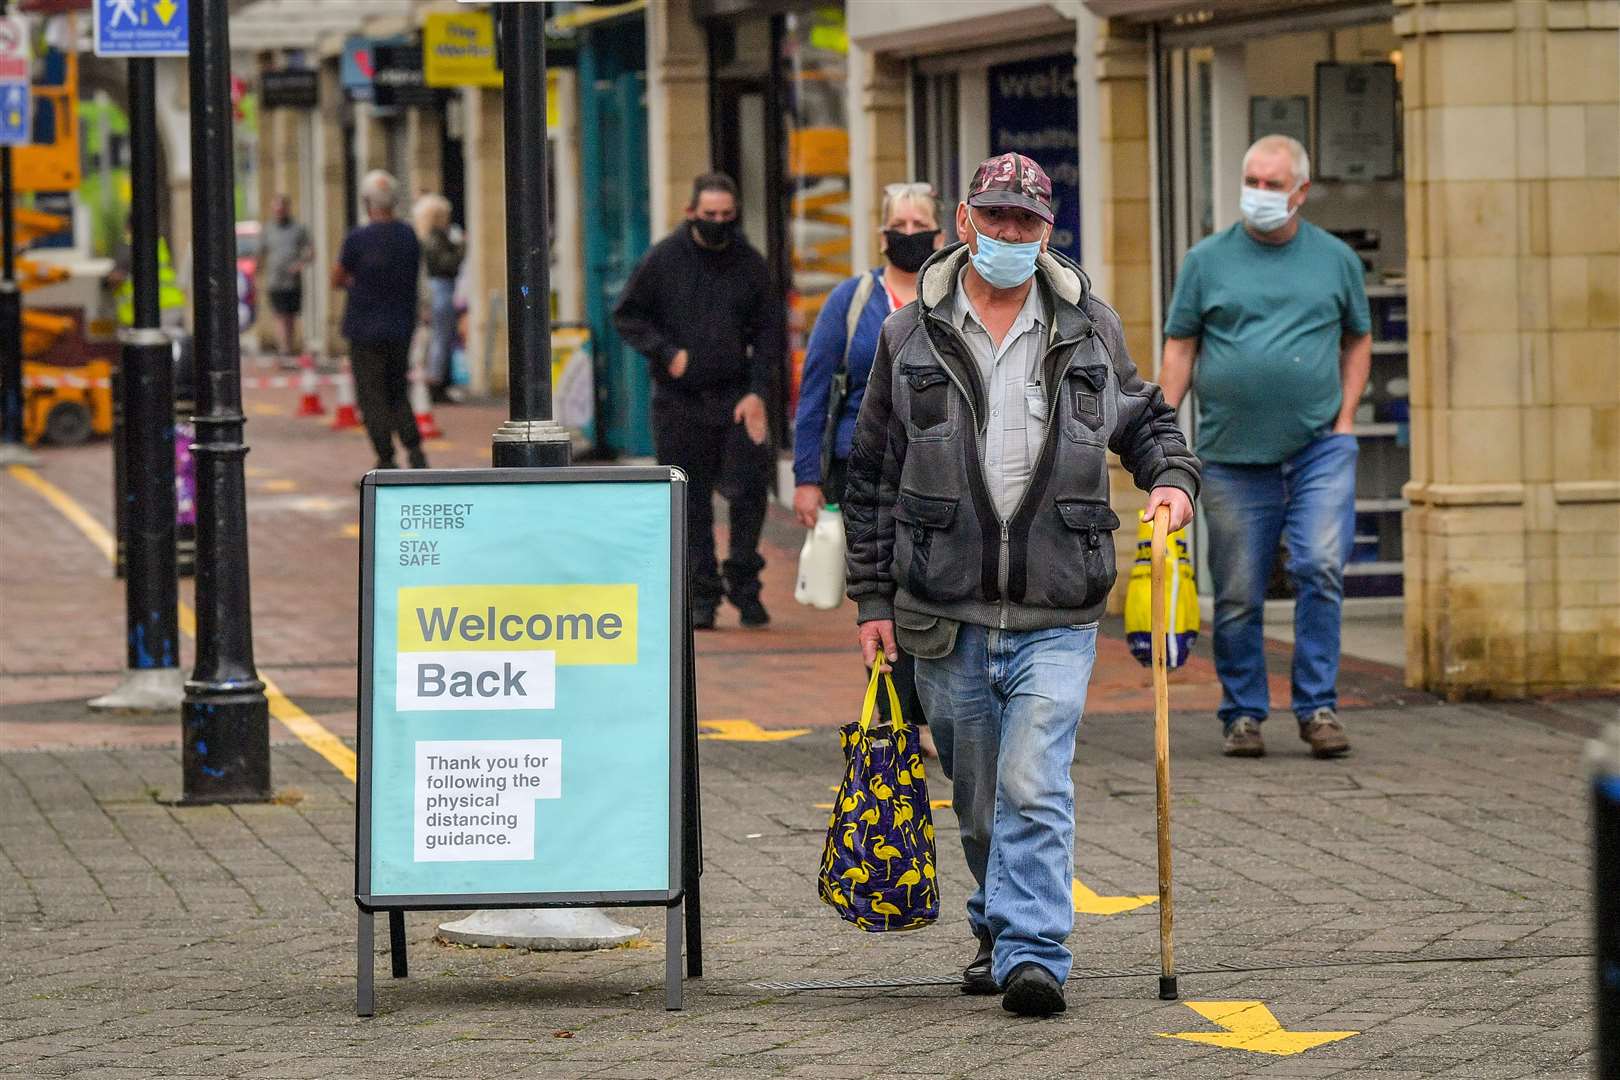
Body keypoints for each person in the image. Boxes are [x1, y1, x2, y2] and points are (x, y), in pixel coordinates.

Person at [844, 152, 1199, 1018]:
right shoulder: (908, 334)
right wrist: (873, 600)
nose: (1009, 235)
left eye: (1026, 223)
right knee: (976, 800)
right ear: (964, 222)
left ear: (1048, 232)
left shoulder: (1088, 328)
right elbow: (871, 477)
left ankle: (1035, 951)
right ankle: (998, 924)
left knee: (1034, 781)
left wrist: (1171, 480)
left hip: (1057, 603)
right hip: (942, 606)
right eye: (995, 218)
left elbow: (1145, 419)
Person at [1157, 134, 1371, 761]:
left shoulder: (1334, 259)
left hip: (1318, 449)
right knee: (1239, 592)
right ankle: (1244, 713)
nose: (1259, 194)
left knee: (1319, 568)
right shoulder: (1207, 260)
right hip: (1230, 457)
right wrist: (1163, 438)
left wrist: (1347, 418)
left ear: (1301, 192)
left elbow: (1358, 339)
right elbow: (1181, 347)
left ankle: (1317, 707)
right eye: (1252, 180)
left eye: (1273, 184)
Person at [793, 180, 944, 758]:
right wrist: (807, 478)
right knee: (883, 590)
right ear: (882, 234)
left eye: (919, 226)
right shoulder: (851, 302)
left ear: (940, 231)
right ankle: (896, 717)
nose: (909, 236)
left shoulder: (951, 297)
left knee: (927, 590)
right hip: (863, 471)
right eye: (898, 227)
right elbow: (814, 392)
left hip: (938, 472)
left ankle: (929, 713)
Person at [613, 172, 784, 630]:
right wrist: (666, 354)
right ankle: (702, 595)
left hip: (736, 399)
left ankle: (744, 583)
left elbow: (770, 333)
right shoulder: (663, 260)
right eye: (709, 216)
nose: (718, 224)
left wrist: (756, 392)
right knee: (690, 501)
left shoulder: (750, 263)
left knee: (749, 492)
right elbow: (627, 315)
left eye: (727, 217)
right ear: (691, 213)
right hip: (679, 400)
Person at [333, 170, 427, 473]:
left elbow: (337, 276)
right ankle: (415, 450)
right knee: (398, 388)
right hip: (400, 326)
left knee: (371, 394)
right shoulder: (408, 235)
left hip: (364, 329)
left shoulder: (358, 238)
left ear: (366, 202)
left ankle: (385, 457)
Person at [413, 193, 464, 405]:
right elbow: (446, 263)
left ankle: (437, 381)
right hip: (440, 288)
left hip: (439, 288)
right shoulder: (435, 238)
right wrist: (462, 247)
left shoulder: (432, 236)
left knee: (440, 337)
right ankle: (435, 382)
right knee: (440, 338)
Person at [262, 194, 314, 360]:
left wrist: (300, 264)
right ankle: (284, 349)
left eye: (281, 209)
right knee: (279, 315)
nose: (279, 212)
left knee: (290, 315)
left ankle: (288, 346)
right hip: (274, 280)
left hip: (292, 281)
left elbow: (311, 251)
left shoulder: (298, 229)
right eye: (276, 209)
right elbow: (261, 252)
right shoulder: (268, 229)